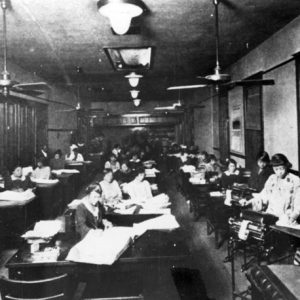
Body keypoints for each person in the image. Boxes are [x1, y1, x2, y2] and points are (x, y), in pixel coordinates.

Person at [240, 154, 300, 221]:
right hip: (270, 215)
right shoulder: (272, 178)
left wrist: (292, 217)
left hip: (286, 218)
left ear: (286, 166)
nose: (279, 172)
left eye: (281, 168)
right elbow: (263, 196)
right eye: (276, 169)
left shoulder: (295, 180)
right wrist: (249, 202)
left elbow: (298, 203)